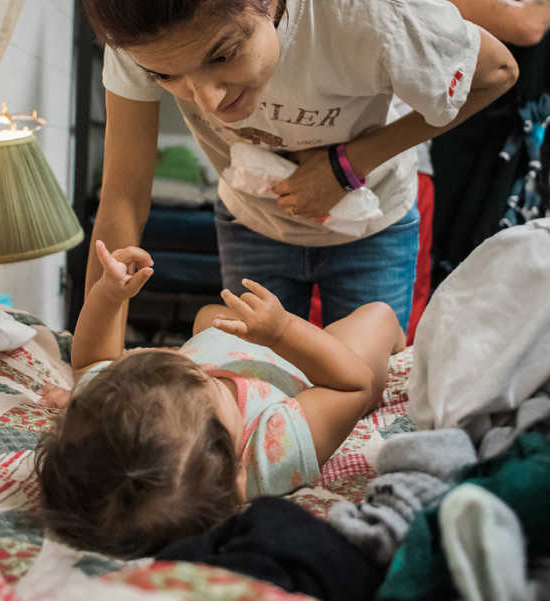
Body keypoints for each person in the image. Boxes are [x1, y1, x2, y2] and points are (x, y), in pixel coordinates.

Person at [80, 0, 518, 331]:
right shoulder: (140, 36)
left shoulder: (370, 13)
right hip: (250, 220)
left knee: (362, 386)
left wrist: (348, 165)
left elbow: (498, 70)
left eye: (222, 55)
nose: (207, 101)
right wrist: (95, 365)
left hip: (373, 222)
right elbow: (122, 195)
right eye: (167, 77)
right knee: (255, 377)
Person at [35, 240, 405, 558]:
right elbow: (351, 386)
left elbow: (91, 362)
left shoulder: (117, 415)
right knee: (377, 317)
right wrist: (285, 332)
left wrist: (109, 295)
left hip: (238, 345)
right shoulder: (268, 449)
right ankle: (399, 346)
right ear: (236, 473)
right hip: (318, 368)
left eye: (180, 361)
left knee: (208, 317)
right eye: (207, 383)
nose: (195, 365)